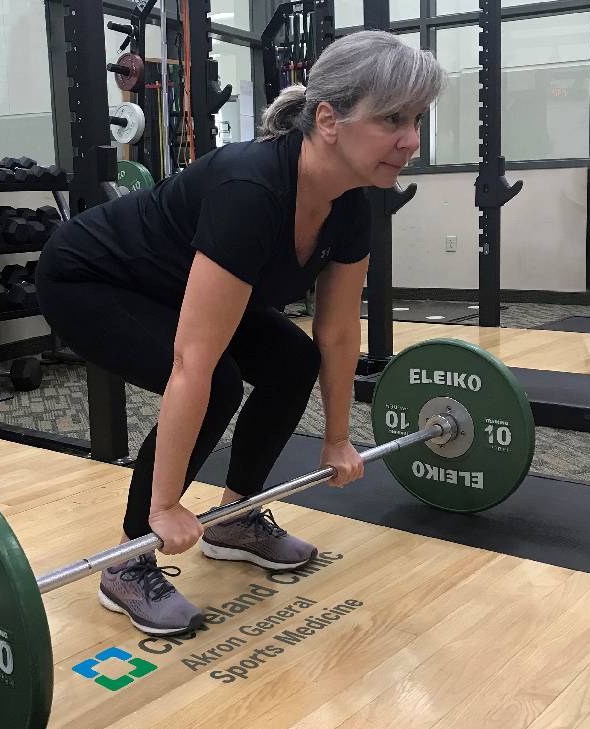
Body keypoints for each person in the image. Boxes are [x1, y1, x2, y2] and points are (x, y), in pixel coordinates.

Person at [35, 30, 443, 636]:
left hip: (173, 281)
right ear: (328, 119)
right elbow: (192, 362)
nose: (410, 140)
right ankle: (126, 560)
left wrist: (337, 440)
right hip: (91, 278)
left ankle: (234, 520)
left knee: (292, 358)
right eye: (391, 120)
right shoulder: (251, 189)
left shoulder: (356, 200)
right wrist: (166, 506)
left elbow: (335, 334)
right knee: (219, 382)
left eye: (415, 119)